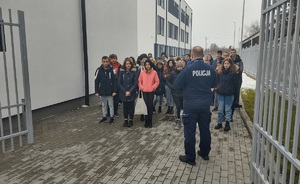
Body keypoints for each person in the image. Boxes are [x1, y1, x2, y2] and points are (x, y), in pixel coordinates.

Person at [174, 46, 217, 166]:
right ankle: (204, 153)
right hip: (204, 105)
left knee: (189, 132)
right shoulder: (210, 69)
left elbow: (177, 85)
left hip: (190, 105)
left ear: (192, 56)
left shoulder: (187, 69)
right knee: (205, 130)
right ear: (203, 55)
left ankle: (190, 157)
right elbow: (214, 84)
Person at [214, 57, 238, 131]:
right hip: (221, 93)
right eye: (225, 63)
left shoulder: (233, 73)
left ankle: (227, 123)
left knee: (228, 109)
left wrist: (233, 91)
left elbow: (236, 84)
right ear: (223, 64)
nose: (226, 65)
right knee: (220, 109)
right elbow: (217, 81)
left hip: (229, 94)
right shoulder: (220, 72)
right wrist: (218, 87)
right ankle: (220, 123)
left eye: (228, 63)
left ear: (230, 64)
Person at [95, 56, 118, 124]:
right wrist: (96, 91)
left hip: (110, 91)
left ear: (108, 62)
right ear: (102, 62)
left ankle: (111, 117)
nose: (105, 63)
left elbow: (115, 81)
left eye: (106, 62)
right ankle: (104, 117)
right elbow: (97, 81)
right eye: (104, 62)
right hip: (102, 91)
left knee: (111, 105)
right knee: (104, 105)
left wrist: (114, 91)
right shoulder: (99, 70)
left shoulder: (112, 70)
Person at [138, 59, 160, 128]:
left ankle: (150, 121)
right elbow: (139, 81)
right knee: (145, 106)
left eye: (148, 64)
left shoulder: (154, 72)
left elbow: (157, 81)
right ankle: (146, 120)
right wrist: (142, 87)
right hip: (144, 91)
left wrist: (153, 87)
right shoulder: (142, 72)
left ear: (151, 65)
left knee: (150, 106)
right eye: (146, 65)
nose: (147, 66)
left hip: (151, 92)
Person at [118, 58, 138, 127]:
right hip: (124, 93)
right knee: (125, 107)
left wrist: (130, 91)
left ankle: (131, 120)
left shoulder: (134, 72)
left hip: (131, 93)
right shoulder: (121, 72)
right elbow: (119, 83)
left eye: (129, 63)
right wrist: (125, 91)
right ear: (124, 64)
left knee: (131, 107)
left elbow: (135, 83)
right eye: (126, 64)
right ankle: (126, 120)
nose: (128, 65)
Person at [166, 60, 184, 130]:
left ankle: (182, 120)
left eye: (181, 67)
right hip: (175, 93)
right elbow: (167, 81)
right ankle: (177, 121)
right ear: (176, 67)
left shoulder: (184, 73)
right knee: (178, 106)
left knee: (182, 107)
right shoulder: (172, 73)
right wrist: (172, 87)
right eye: (178, 67)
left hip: (182, 92)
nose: (179, 68)